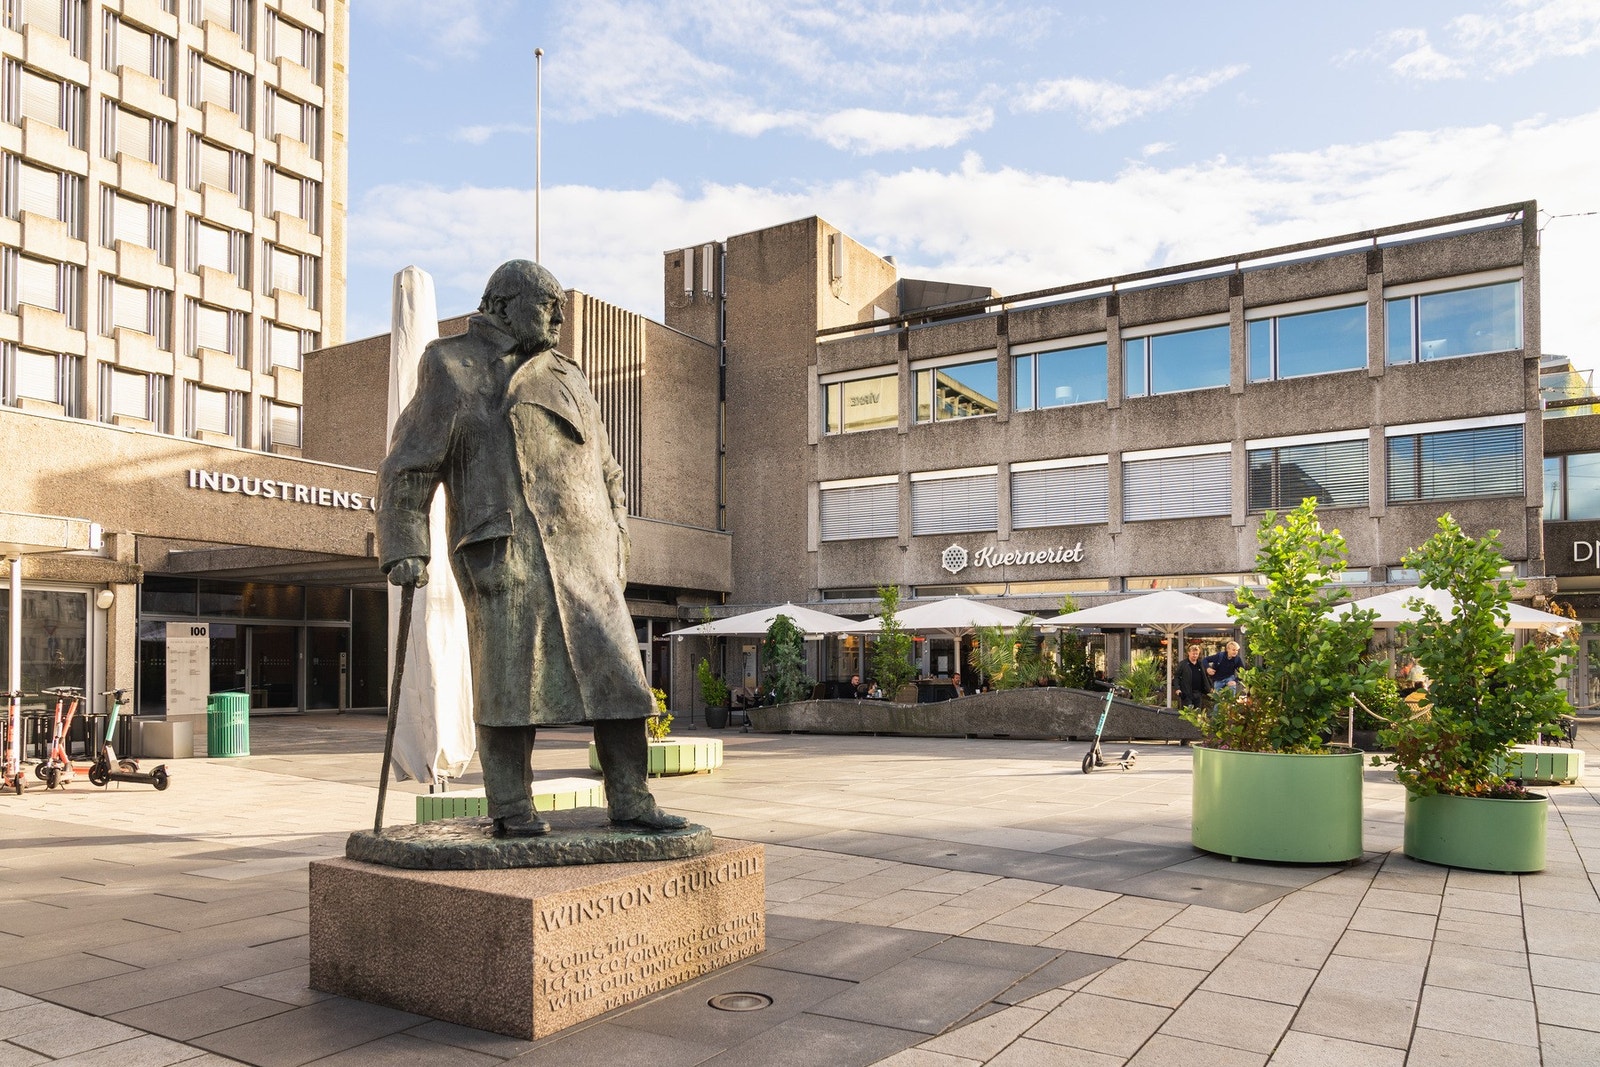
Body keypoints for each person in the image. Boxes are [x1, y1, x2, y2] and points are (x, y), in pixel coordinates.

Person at [379, 259, 686, 839]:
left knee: (619, 677)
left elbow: (606, 468)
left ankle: (631, 797)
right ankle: (512, 807)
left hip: (586, 556)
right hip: (506, 552)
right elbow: (409, 464)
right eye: (548, 305)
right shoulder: (451, 364)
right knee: (508, 686)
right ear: (502, 302)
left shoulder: (569, 373)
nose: (560, 318)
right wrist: (405, 542)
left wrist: (618, 536)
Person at [1175, 643, 1212, 709]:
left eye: (1196, 654)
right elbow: (1176, 677)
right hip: (1186, 693)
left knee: (1197, 713)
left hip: (1198, 693)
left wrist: (1210, 687)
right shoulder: (1183, 664)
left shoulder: (1200, 664)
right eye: (1193, 654)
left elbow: (1205, 677)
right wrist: (1178, 689)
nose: (1195, 655)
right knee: (1188, 713)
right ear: (1189, 653)